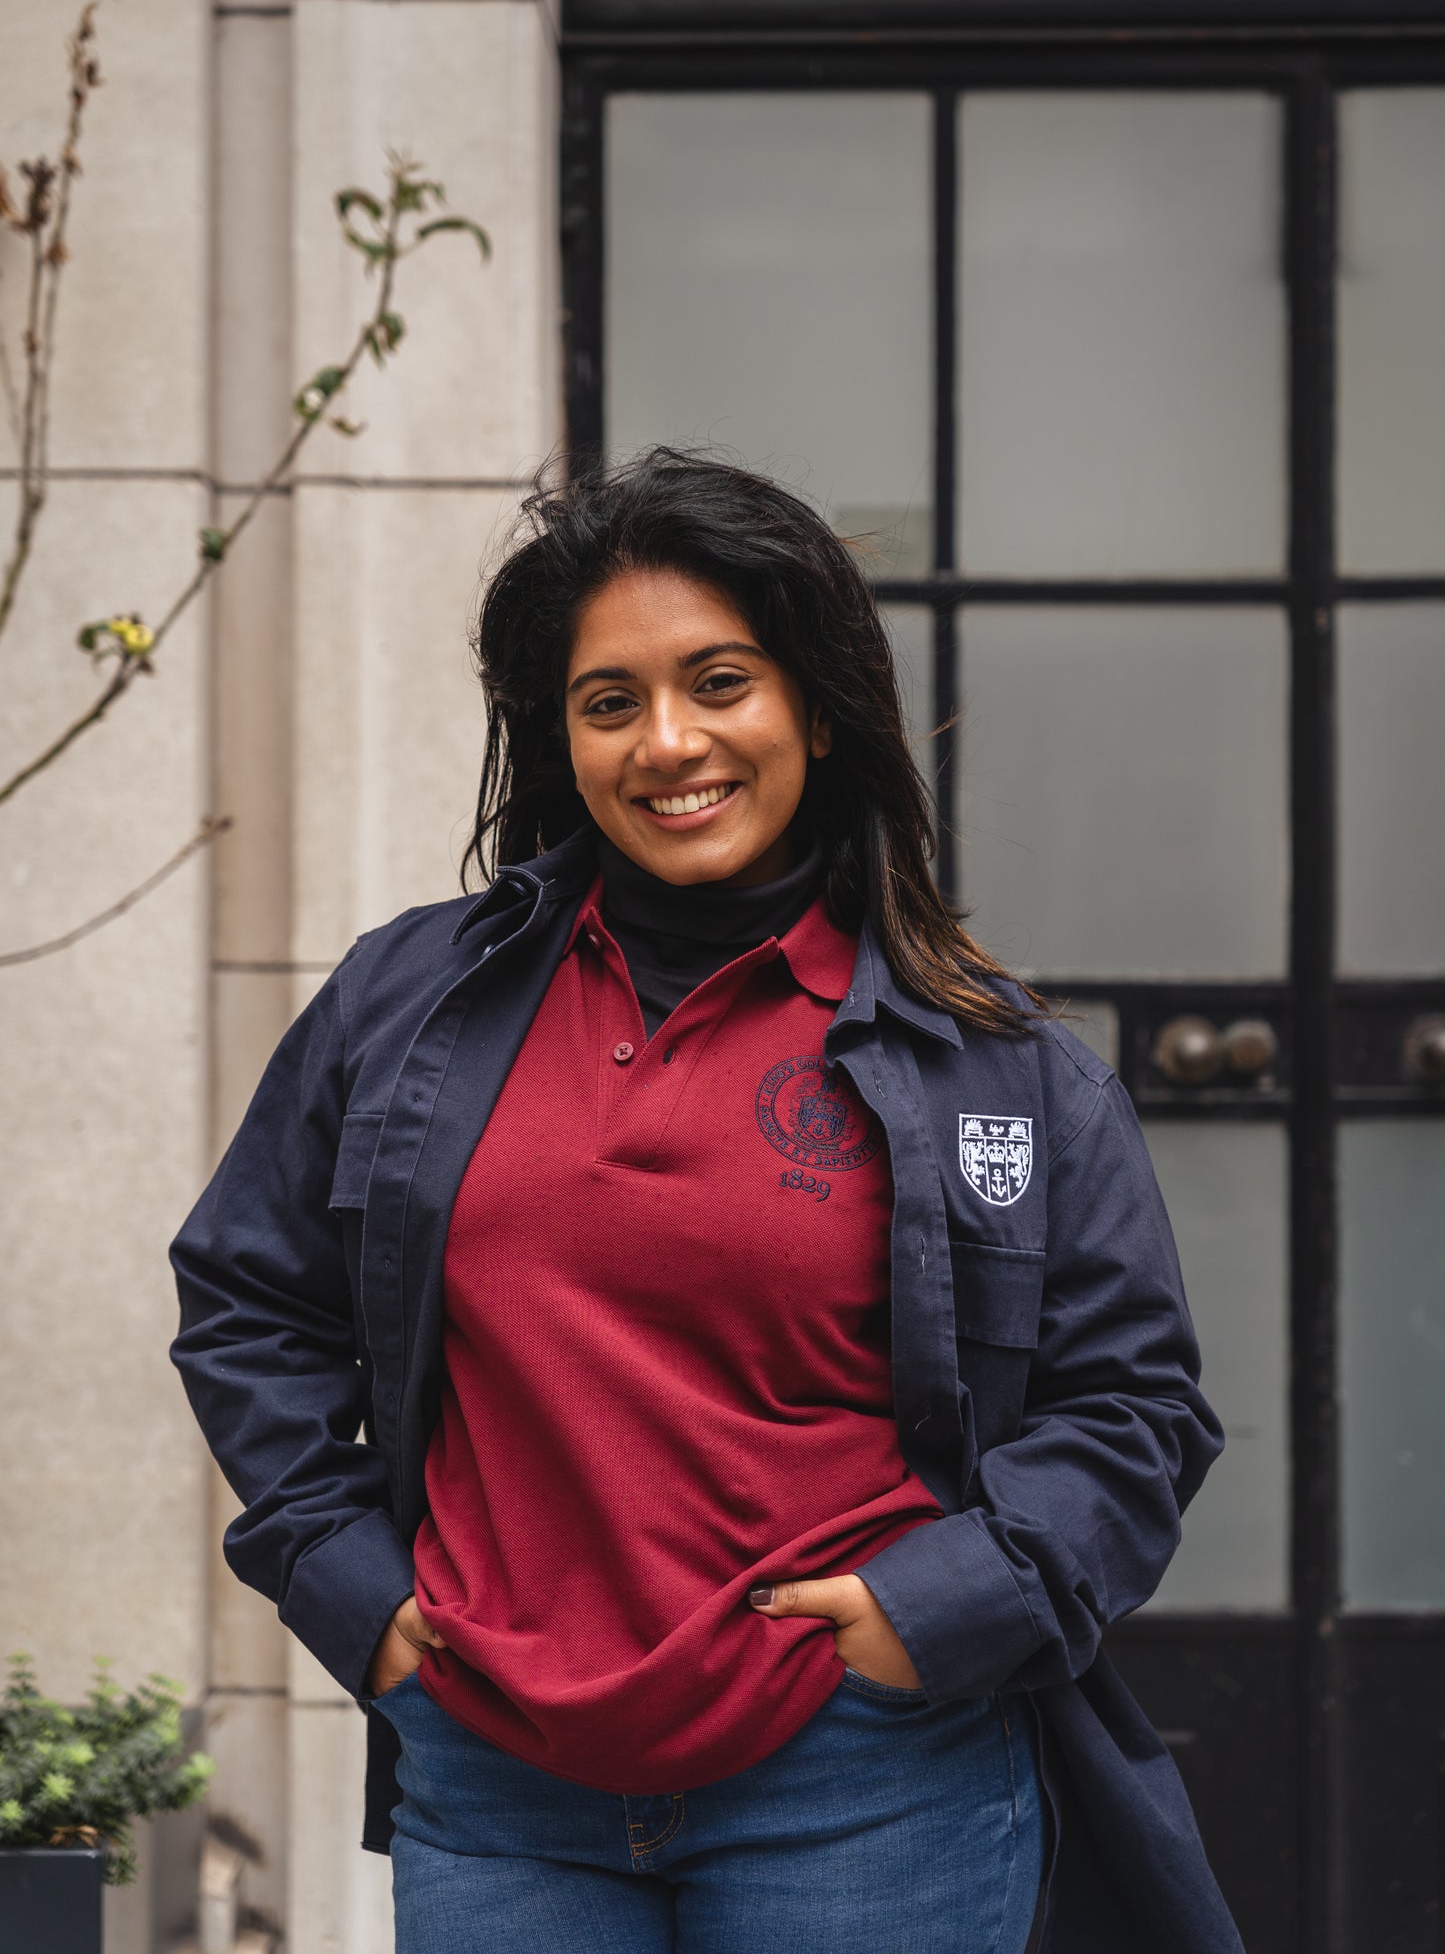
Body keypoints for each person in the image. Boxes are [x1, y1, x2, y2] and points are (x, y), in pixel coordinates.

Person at [170, 448, 1244, 1954]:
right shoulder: (407, 1004)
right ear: (560, 737)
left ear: (812, 701)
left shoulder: (992, 1062)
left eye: (719, 681)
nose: (669, 742)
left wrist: (931, 1612)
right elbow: (247, 1302)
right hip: (497, 1781)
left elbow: (1129, 1407)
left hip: (865, 1781)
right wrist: (354, 1586)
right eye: (611, 702)